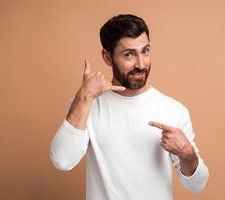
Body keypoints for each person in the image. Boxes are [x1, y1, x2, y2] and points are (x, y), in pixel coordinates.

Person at [50, 14, 209, 200]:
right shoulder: (86, 105)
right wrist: (84, 97)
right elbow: (62, 160)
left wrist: (187, 153)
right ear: (107, 57)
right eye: (129, 54)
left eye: (145, 51)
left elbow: (197, 185)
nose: (141, 64)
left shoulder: (173, 110)